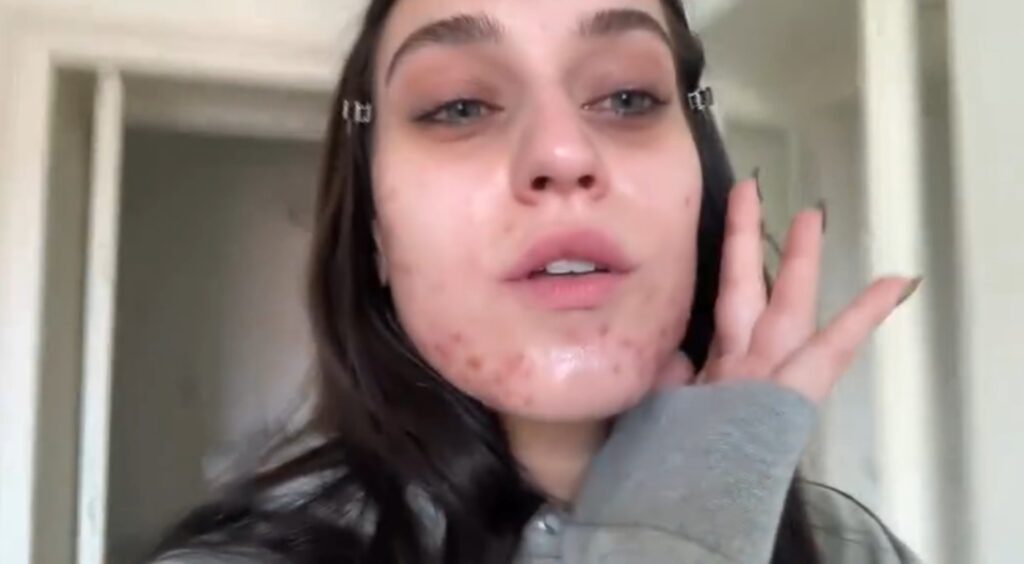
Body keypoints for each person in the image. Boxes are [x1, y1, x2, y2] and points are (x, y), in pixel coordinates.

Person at [150, 0, 923, 562]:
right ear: (377, 232)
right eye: (459, 106)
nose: (562, 152)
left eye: (628, 97)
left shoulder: (854, 550)